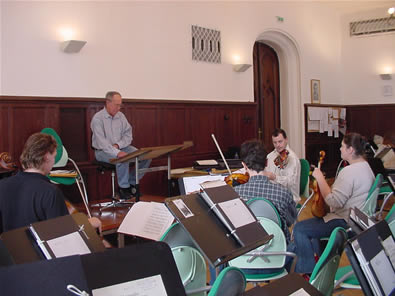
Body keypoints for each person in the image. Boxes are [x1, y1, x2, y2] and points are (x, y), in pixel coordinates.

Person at [289, 132, 375, 274]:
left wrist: (320, 179)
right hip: (356, 220)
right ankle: (321, 268)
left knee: (300, 229)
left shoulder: (349, 172)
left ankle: (309, 273)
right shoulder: (366, 167)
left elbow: (334, 201)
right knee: (313, 229)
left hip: (345, 221)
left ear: (350, 150)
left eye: (342, 146)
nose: (340, 149)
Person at [0, 133, 69, 233]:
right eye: (54, 157)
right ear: (46, 156)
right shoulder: (50, 192)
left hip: (9, 248)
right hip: (38, 248)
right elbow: (61, 234)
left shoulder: (2, 185)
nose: (53, 162)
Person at [91, 91, 151, 200]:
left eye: (120, 105)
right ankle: (123, 189)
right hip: (102, 151)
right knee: (123, 158)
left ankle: (131, 184)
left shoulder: (121, 116)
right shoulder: (98, 119)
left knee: (145, 156)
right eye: (116, 105)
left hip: (121, 147)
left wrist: (118, 145)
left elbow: (128, 135)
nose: (119, 108)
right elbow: (102, 143)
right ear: (108, 103)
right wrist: (117, 152)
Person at [234, 140, 297, 243]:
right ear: (267, 162)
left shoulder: (235, 194)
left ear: (244, 165)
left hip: (247, 252)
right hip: (280, 251)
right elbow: (291, 220)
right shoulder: (283, 193)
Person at [265, 128, 301, 203]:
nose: (277, 145)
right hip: (272, 193)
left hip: (288, 197)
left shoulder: (292, 158)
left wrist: (274, 177)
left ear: (286, 140)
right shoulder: (270, 156)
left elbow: (290, 182)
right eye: (275, 142)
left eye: (280, 141)